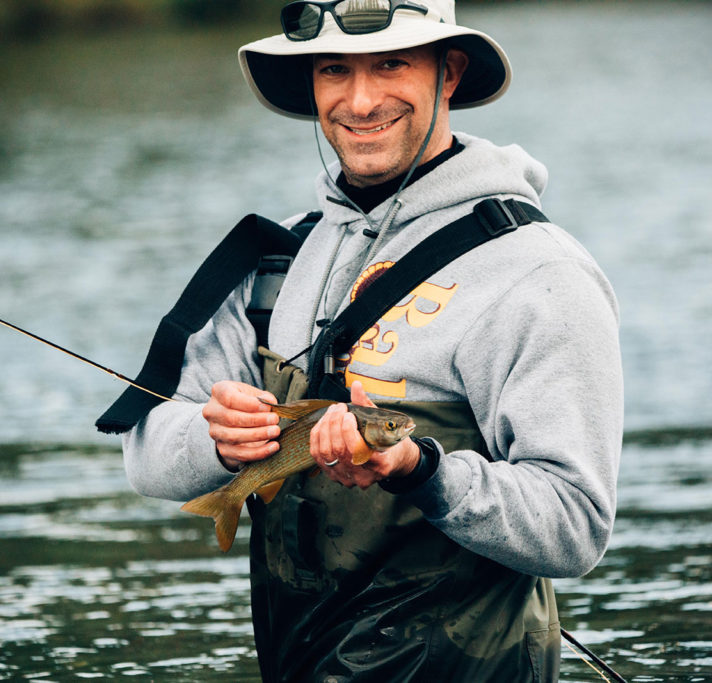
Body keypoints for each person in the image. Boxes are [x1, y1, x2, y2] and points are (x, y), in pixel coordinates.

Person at [107, 1, 623, 680]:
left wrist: (423, 470)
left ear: (450, 72)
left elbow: (574, 527)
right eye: (333, 69)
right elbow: (143, 456)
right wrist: (216, 439)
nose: (359, 99)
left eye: (390, 63)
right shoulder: (272, 261)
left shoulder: (537, 272)